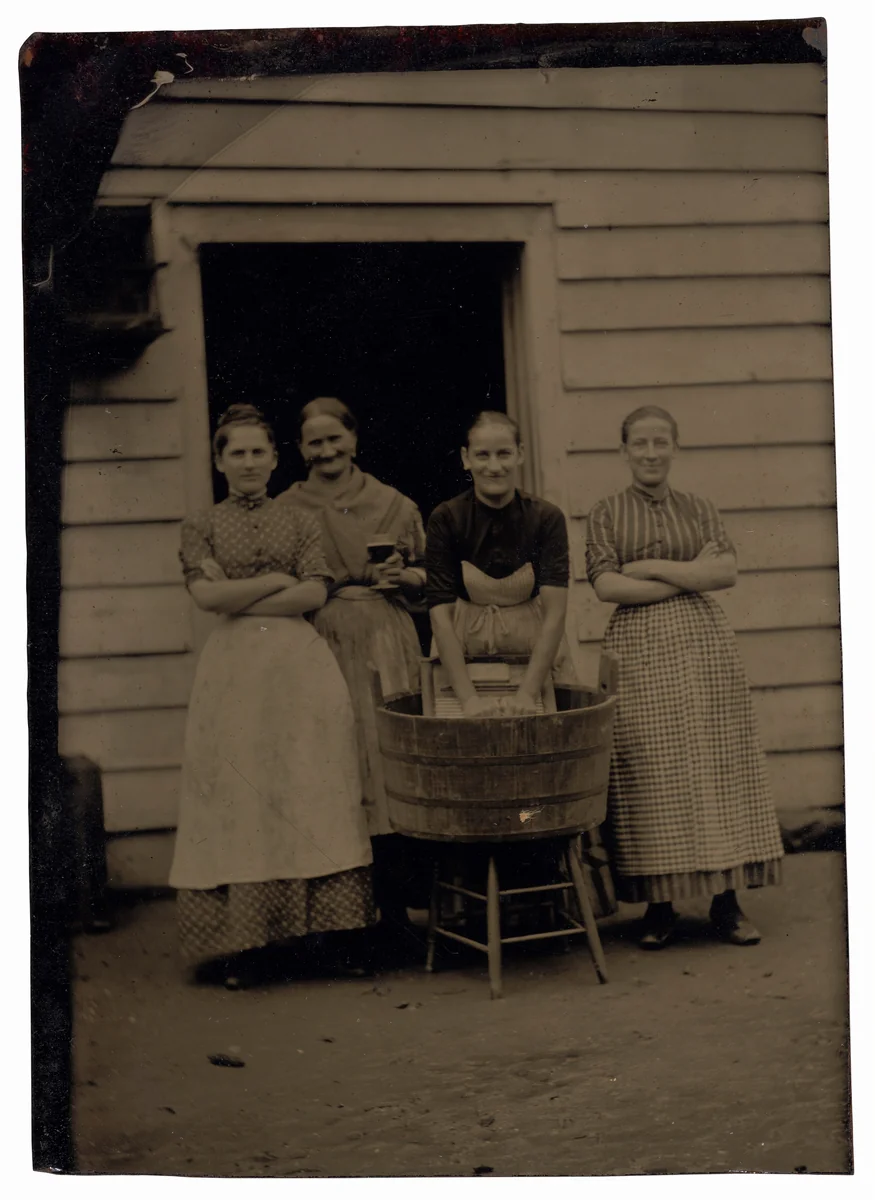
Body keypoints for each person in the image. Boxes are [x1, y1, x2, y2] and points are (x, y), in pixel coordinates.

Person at [169, 404, 375, 987]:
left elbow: (312, 593)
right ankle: (248, 944)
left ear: (276, 458)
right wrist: (271, 583)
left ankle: (328, 940)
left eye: (260, 452)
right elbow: (206, 601)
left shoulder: (300, 520)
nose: (250, 462)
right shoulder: (201, 525)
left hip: (298, 667)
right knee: (241, 794)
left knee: (311, 788)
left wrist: (238, 593)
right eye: (237, 452)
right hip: (233, 672)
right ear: (219, 461)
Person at [585, 405, 784, 950]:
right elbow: (606, 587)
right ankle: (660, 906)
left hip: (704, 649)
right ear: (624, 451)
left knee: (716, 764)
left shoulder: (699, 508)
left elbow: (725, 572)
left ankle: (727, 903)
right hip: (638, 649)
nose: (650, 453)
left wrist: (650, 569)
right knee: (650, 767)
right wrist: (689, 576)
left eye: (660, 442)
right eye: (639, 444)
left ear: (675, 447)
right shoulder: (606, 513)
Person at [425, 410, 616, 918]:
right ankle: (473, 906)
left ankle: (545, 897)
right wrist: (466, 700)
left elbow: (555, 614)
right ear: (466, 459)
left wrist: (530, 693)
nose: (494, 465)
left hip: (536, 657)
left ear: (521, 455)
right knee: (472, 776)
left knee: (538, 774)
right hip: (464, 659)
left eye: (503, 453)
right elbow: (441, 618)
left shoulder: (545, 518)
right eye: (482, 454)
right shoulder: (446, 518)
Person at [277, 397, 427, 940]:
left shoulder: (391, 502)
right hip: (321, 639)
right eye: (314, 443)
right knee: (338, 764)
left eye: (334, 439)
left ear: (354, 440)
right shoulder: (286, 508)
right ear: (299, 450)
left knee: (388, 764)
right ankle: (344, 916)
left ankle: (399, 907)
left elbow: (427, 577)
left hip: (387, 637)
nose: (326, 451)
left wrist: (403, 578)